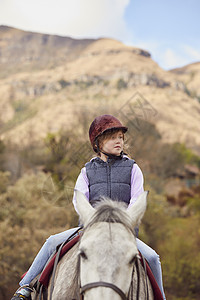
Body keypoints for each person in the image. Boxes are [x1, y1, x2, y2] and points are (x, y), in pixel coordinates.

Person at [11, 114, 166, 300]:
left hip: (122, 230)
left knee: (152, 258)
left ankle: (160, 297)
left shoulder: (133, 168)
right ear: (98, 143)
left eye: (120, 137)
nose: (118, 141)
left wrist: (124, 221)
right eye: (112, 137)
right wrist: (93, 218)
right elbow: (79, 199)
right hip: (90, 227)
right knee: (51, 242)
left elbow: (137, 198)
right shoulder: (86, 171)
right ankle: (25, 288)